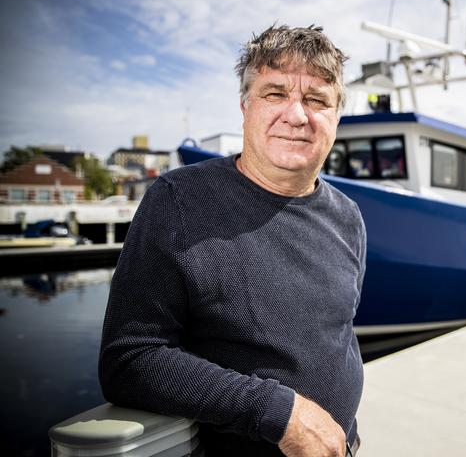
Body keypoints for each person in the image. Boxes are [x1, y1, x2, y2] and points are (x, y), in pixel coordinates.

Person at [99, 24, 366, 457]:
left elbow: (337, 337)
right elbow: (129, 359)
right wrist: (281, 415)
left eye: (317, 100)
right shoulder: (177, 202)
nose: (297, 115)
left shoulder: (349, 217)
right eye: (275, 94)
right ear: (245, 106)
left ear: (336, 118)